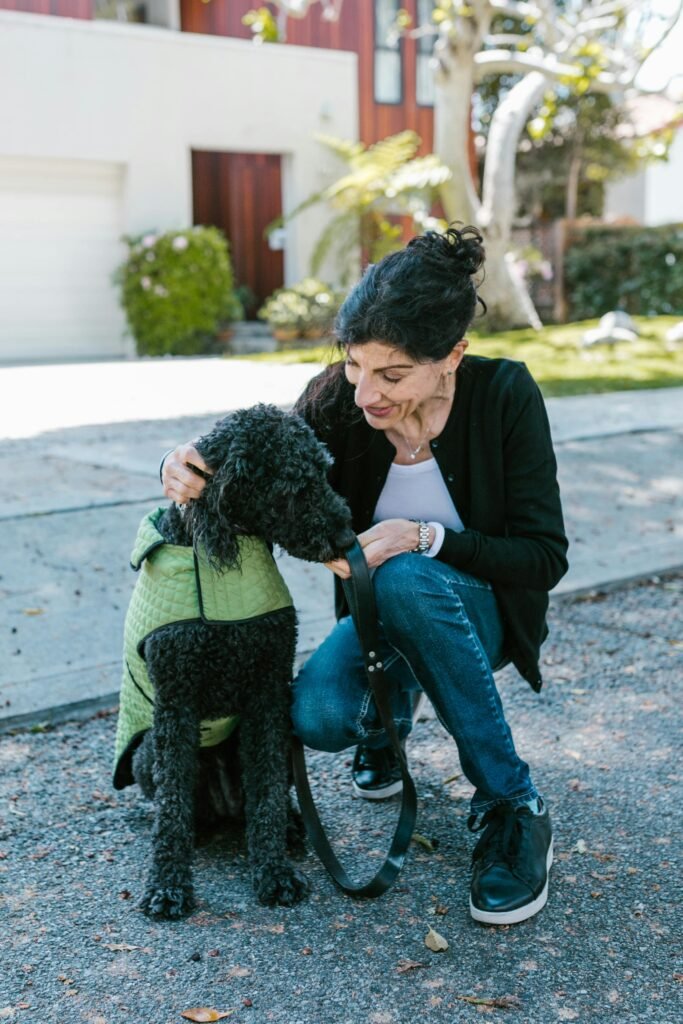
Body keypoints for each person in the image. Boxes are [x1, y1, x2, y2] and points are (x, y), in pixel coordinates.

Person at [160, 226, 569, 925]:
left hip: (479, 617)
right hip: (378, 620)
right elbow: (256, 459)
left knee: (407, 576)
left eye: (391, 374)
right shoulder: (335, 400)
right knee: (317, 718)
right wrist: (185, 462)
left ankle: (512, 804)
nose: (364, 394)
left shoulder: (503, 394)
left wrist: (427, 537)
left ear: (451, 357)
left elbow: (543, 556)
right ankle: (386, 721)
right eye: (355, 365)